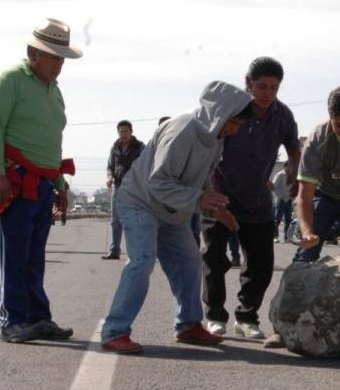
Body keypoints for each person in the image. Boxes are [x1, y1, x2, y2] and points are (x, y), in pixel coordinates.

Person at [100, 81, 252, 354]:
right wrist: (199, 200)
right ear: (219, 114)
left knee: (189, 259)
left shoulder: (216, 138)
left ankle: (188, 325)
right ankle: (114, 331)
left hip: (171, 209)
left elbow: (201, 179)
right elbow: (157, 182)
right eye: (234, 122)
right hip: (140, 201)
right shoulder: (182, 130)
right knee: (143, 261)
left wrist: (217, 210)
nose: (235, 129)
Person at [0, 18, 80, 344]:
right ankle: (12, 320)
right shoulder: (9, 80)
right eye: (53, 56)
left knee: (34, 256)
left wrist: (60, 184)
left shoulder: (55, 91)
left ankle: (37, 316)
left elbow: (51, 142)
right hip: (14, 181)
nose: (59, 64)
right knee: (12, 255)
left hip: (45, 184)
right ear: (33, 52)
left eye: (62, 58)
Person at [262, 85, 340, 348]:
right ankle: (282, 326)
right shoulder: (318, 139)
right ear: (330, 117)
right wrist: (308, 232)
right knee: (305, 256)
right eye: (338, 125)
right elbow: (304, 197)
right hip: (326, 196)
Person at [202, 57, 301, 339]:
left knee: (261, 264)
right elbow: (208, 152)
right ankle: (214, 316)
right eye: (261, 86)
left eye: (274, 87)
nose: (267, 93)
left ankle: (247, 317)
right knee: (214, 258)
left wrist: (293, 170)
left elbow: (294, 149)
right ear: (248, 83)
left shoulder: (282, 115)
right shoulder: (232, 110)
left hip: (257, 199)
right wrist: (212, 193)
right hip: (219, 192)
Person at [102, 120, 145, 260]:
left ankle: (134, 253)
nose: (124, 134)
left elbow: (146, 165)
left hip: (134, 189)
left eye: (126, 131)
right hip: (118, 187)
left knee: (132, 220)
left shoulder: (139, 147)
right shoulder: (114, 148)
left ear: (131, 132)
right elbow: (110, 166)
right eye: (121, 132)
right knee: (115, 220)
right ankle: (114, 251)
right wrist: (109, 177)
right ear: (118, 133)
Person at [271, 167, 292, 242]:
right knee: (277, 219)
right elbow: (273, 187)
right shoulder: (280, 174)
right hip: (280, 200)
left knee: (288, 220)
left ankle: (287, 237)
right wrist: (280, 196)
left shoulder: (291, 175)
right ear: (286, 166)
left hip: (289, 200)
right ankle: (274, 236)